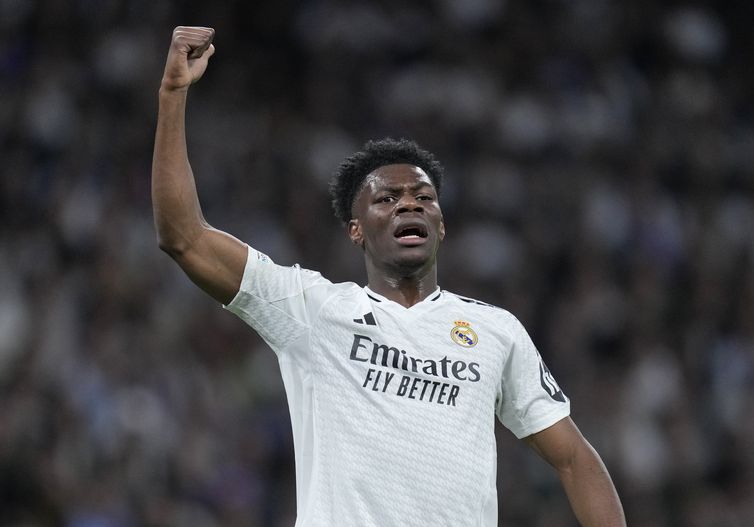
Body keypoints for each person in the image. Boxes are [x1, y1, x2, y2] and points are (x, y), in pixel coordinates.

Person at [152, 26, 627, 527]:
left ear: (440, 225)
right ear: (356, 230)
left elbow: (574, 460)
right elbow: (184, 237)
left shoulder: (496, 332)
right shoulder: (314, 310)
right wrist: (172, 94)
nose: (408, 204)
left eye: (424, 198)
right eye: (387, 198)